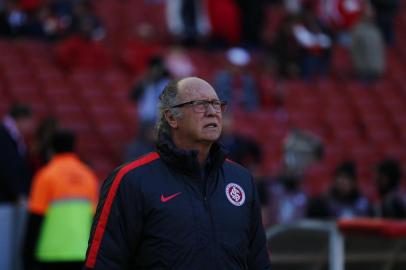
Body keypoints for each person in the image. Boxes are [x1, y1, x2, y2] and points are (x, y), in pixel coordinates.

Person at [84, 77, 271, 269]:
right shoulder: (130, 180)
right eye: (199, 104)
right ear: (172, 118)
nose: (212, 112)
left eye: (216, 104)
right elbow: (103, 263)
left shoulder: (242, 179)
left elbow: (259, 261)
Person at [23, 129, 98, 270]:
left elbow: (35, 220)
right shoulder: (89, 176)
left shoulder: (45, 176)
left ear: (51, 150)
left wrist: (26, 256)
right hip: (81, 253)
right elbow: (94, 218)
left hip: (50, 254)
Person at [0, 104, 34, 270]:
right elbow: (7, 166)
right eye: (30, 121)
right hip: (4, 199)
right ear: (22, 119)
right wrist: (19, 192)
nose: (31, 126)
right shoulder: (4, 136)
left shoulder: (12, 137)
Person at [307, 161, 372, 219]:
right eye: (340, 178)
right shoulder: (324, 203)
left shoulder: (362, 203)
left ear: (353, 182)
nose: (342, 182)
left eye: (346, 178)